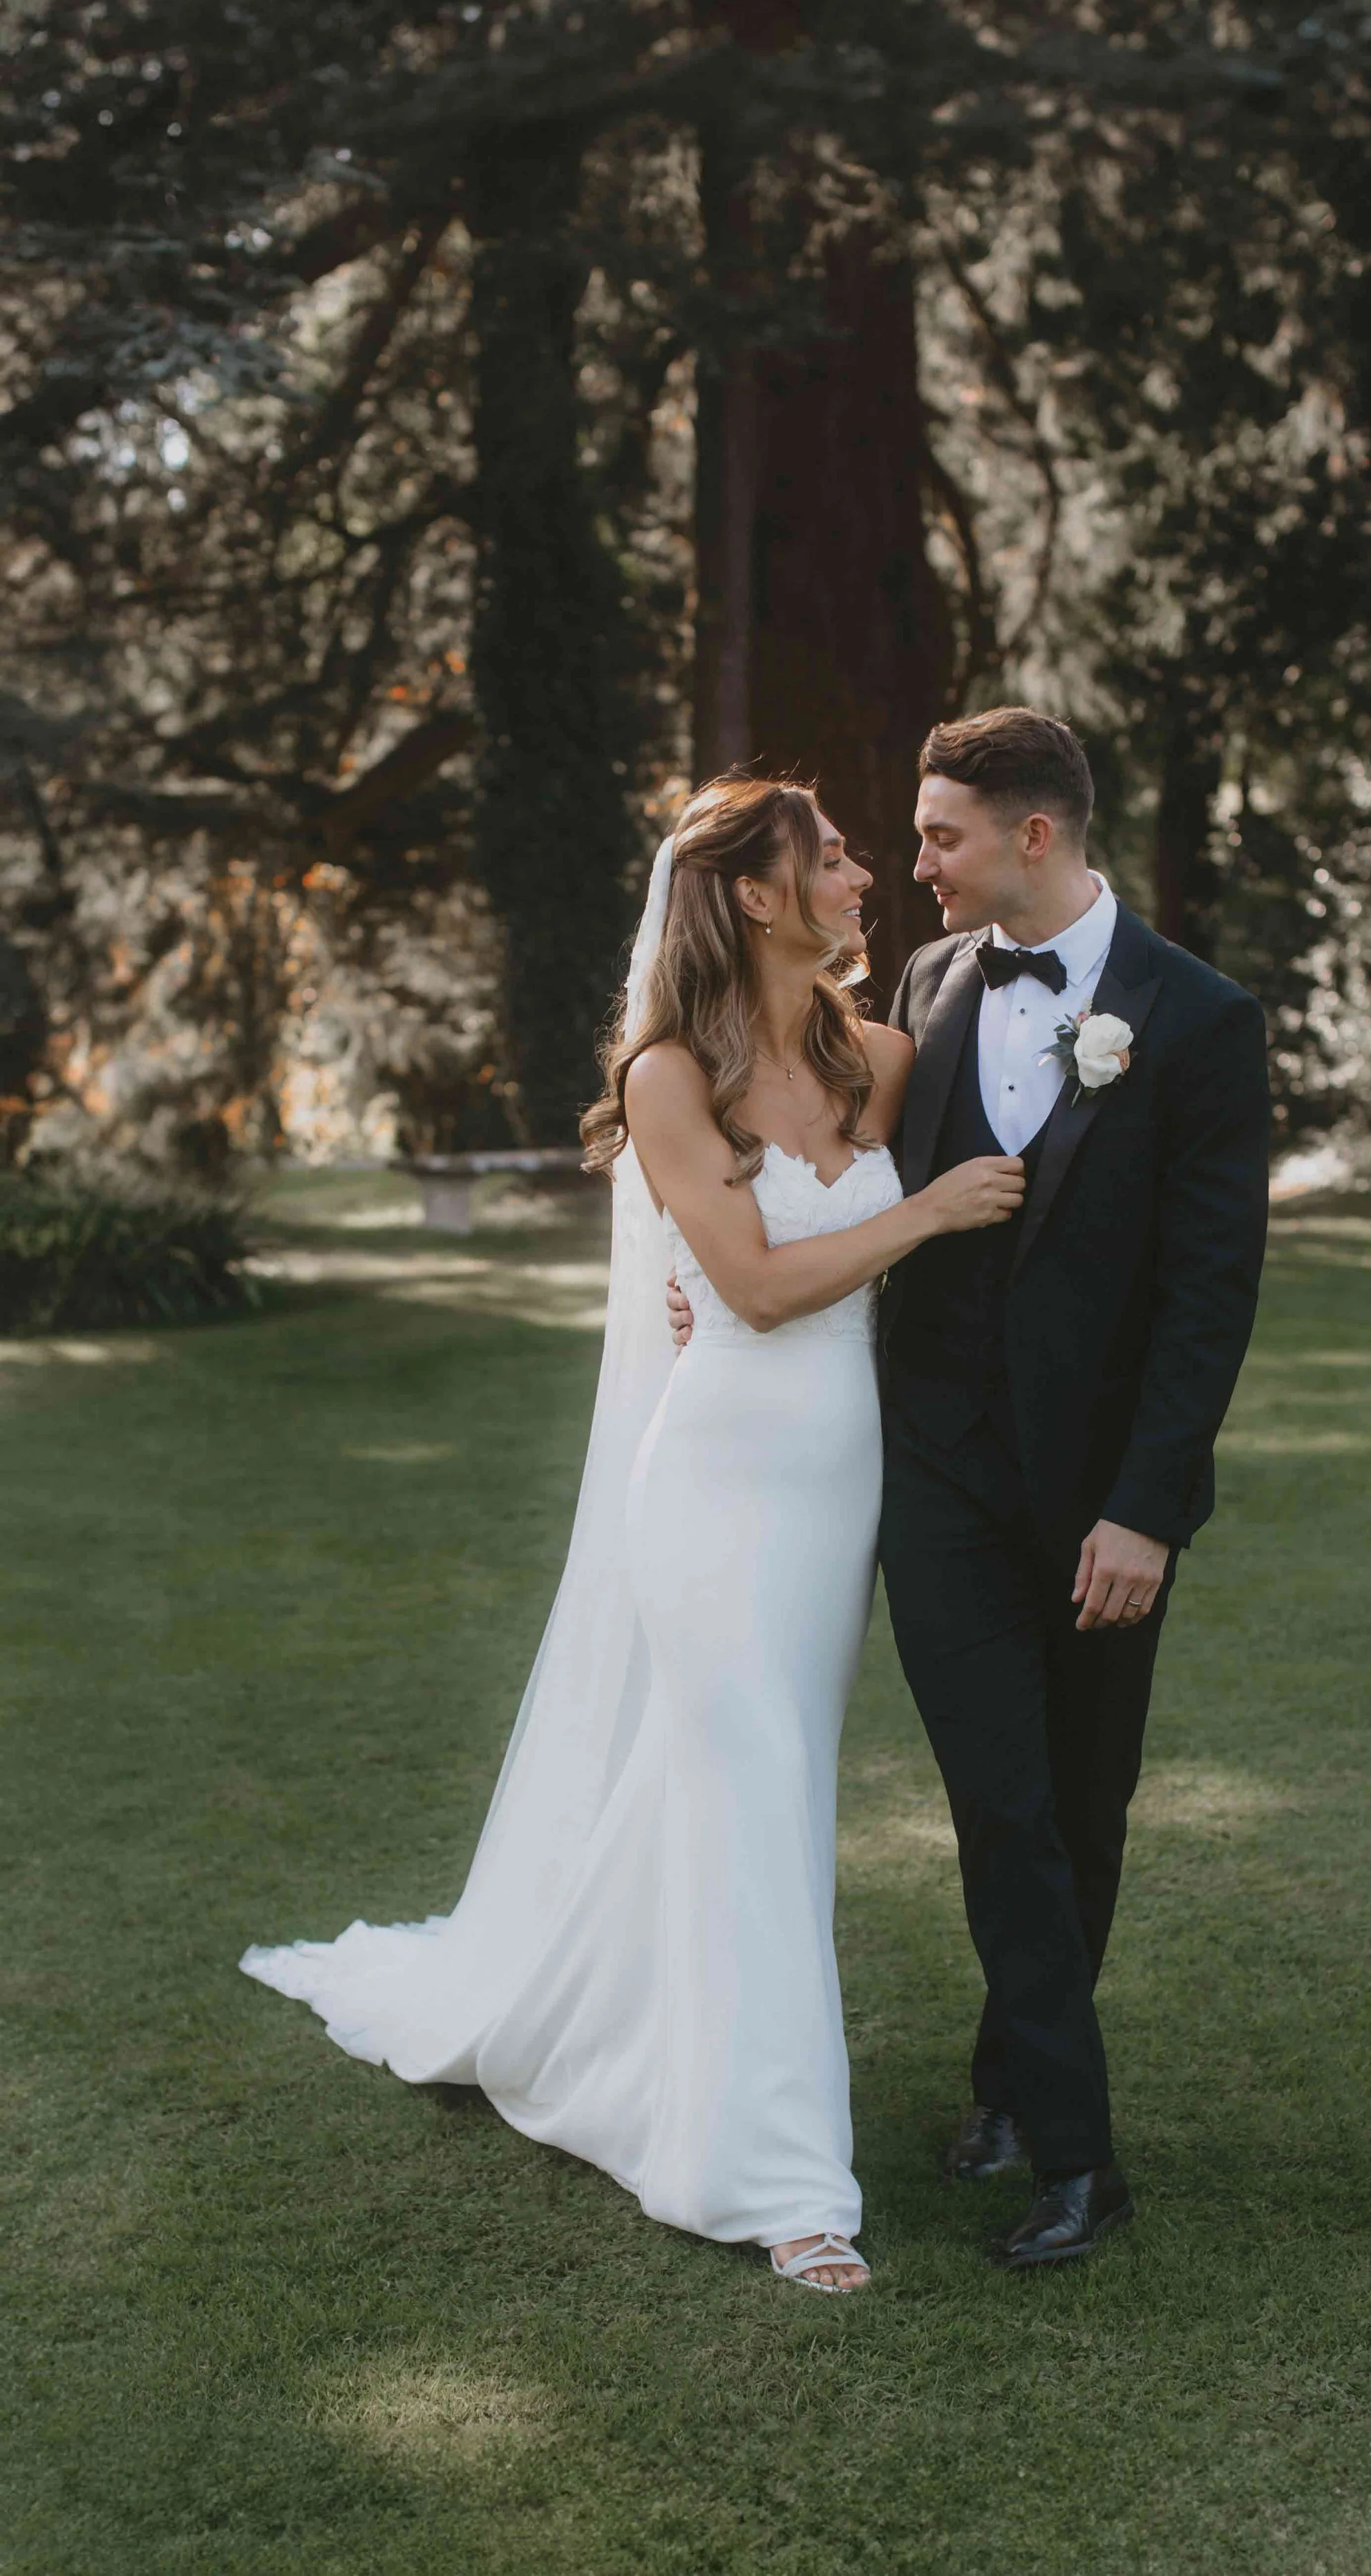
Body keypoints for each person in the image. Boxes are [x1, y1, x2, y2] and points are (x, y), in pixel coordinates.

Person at [240, 775, 1022, 2297]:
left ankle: (596, 2023)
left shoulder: (882, 1056)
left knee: (740, 1791)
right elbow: (749, 1285)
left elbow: (906, 1289)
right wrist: (925, 1216)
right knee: (757, 1789)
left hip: (837, 1491)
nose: (864, 872)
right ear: (749, 893)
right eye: (833, 854)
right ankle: (779, 2181)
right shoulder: (670, 1076)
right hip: (714, 1483)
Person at [672, 708, 1270, 2270]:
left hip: (1099, 1499)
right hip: (929, 1476)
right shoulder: (923, 995)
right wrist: (706, 1280)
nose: (910, 862)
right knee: (1001, 1805)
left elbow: (1209, 1296)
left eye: (936, 836)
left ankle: (1013, 2075)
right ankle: (1079, 2163)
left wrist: (1145, 1507)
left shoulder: (1197, 1021)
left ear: (1032, 835)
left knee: (1083, 1805)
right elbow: (804, 1165)